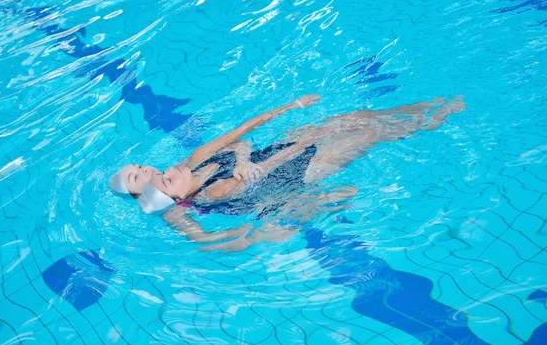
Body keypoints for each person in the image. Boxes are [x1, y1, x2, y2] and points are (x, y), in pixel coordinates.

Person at [109, 95, 465, 251]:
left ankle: (422, 108)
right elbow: (272, 168)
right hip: (292, 172)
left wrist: (292, 106)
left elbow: (242, 134)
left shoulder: (191, 163)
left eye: (146, 170)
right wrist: (257, 235)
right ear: (174, 196)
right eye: (146, 177)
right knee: (368, 134)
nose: (165, 168)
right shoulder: (204, 198)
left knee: (356, 116)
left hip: (271, 155)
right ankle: (429, 121)